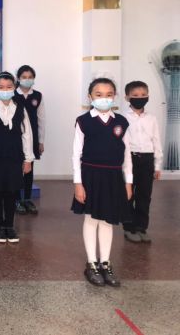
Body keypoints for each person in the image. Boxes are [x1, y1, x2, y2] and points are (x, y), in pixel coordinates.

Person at [72, 78, 132, 287]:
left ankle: (105, 263)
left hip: (114, 177)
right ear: (90, 96)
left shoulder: (121, 122)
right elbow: (76, 154)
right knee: (91, 219)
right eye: (98, 94)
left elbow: (127, 154)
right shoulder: (83, 121)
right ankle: (92, 263)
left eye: (109, 94)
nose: (104, 98)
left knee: (108, 220)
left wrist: (128, 181)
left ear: (115, 96)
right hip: (90, 176)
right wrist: (78, 183)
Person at [0, 72, 34, 244]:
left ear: (14, 87)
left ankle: (9, 226)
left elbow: (27, 135)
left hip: (14, 157)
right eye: (1, 87)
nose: (5, 90)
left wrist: (28, 159)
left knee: (12, 192)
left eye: (9, 87)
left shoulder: (20, 108)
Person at [122, 80, 163, 243]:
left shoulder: (151, 118)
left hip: (147, 160)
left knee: (145, 196)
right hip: (129, 159)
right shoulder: (122, 117)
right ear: (127, 97)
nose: (140, 98)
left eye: (143, 95)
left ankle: (141, 227)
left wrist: (157, 165)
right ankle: (129, 228)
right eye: (135, 95)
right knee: (128, 195)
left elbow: (156, 140)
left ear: (148, 96)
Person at [13, 65, 45, 215]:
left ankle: (27, 199)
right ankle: (17, 200)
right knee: (16, 169)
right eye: (24, 77)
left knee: (29, 169)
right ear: (18, 79)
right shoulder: (11, 94)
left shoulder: (38, 96)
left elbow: (42, 119)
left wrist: (40, 141)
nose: (27, 79)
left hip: (32, 139)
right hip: (15, 137)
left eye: (30, 77)